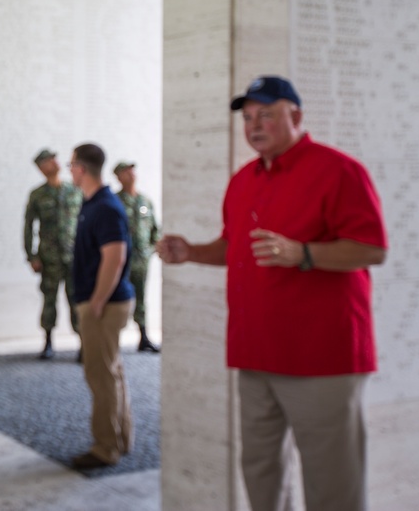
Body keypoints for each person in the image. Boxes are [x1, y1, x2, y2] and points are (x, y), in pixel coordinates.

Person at [156, 75, 387, 511]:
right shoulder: (244, 180)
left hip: (322, 359)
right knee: (261, 475)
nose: (254, 125)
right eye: (247, 118)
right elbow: (233, 248)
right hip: (255, 355)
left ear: (295, 116)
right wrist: (190, 252)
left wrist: (303, 253)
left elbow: (371, 249)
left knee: (333, 486)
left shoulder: (339, 170)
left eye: (266, 114)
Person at [68, 143, 134, 469]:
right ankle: (122, 438)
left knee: (101, 376)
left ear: (80, 168)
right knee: (112, 371)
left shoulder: (105, 206)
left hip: (104, 305)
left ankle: (105, 447)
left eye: (71, 166)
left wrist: (96, 300)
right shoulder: (94, 204)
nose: (70, 172)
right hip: (107, 301)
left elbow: (115, 255)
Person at [24, 148, 83, 359]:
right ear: (41, 168)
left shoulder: (75, 190)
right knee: (49, 300)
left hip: (74, 257)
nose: (55, 163)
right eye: (49, 161)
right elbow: (28, 226)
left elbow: (85, 222)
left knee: (76, 300)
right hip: (49, 259)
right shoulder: (37, 195)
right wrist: (31, 256)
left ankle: (82, 344)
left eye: (55, 159)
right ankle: (48, 342)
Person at [113, 161, 161, 353]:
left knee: (141, 298)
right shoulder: (115, 201)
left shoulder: (145, 201)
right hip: (120, 260)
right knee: (117, 298)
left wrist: (152, 248)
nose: (131, 174)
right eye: (126, 172)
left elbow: (154, 229)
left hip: (141, 259)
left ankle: (144, 336)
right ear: (118, 177)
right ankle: (113, 339)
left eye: (132, 171)